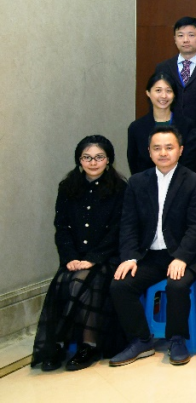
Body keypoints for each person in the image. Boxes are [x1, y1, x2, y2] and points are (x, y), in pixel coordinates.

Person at [109, 126, 196, 367]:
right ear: (149, 152)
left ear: (180, 150)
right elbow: (128, 224)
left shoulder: (195, 182)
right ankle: (142, 340)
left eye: (169, 147)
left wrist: (182, 257)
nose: (163, 153)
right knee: (120, 285)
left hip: (183, 254)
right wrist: (130, 257)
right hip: (149, 255)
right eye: (157, 148)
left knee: (177, 284)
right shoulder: (137, 182)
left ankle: (177, 339)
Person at [32, 136, 126, 372]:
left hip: (106, 257)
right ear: (79, 160)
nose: (93, 162)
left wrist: (93, 259)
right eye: (87, 157)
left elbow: (118, 230)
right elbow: (61, 227)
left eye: (99, 157)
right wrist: (70, 257)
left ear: (108, 160)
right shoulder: (67, 187)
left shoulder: (120, 188)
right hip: (74, 257)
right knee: (63, 281)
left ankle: (88, 345)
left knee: (79, 282)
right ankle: (57, 345)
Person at [127, 73, 191, 175]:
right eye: (158, 90)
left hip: (181, 181)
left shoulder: (187, 125)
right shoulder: (136, 128)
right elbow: (134, 162)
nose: (164, 96)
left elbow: (190, 160)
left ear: (174, 95)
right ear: (148, 93)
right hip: (146, 182)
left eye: (168, 91)